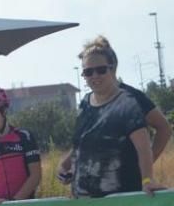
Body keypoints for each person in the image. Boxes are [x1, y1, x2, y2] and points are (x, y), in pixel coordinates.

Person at [58, 37, 163, 197]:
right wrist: (64, 166)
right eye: (88, 72)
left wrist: (146, 178)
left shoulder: (128, 103)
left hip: (120, 204)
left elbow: (144, 148)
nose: (94, 76)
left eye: (101, 70)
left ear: (112, 69)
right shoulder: (85, 103)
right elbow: (81, 144)